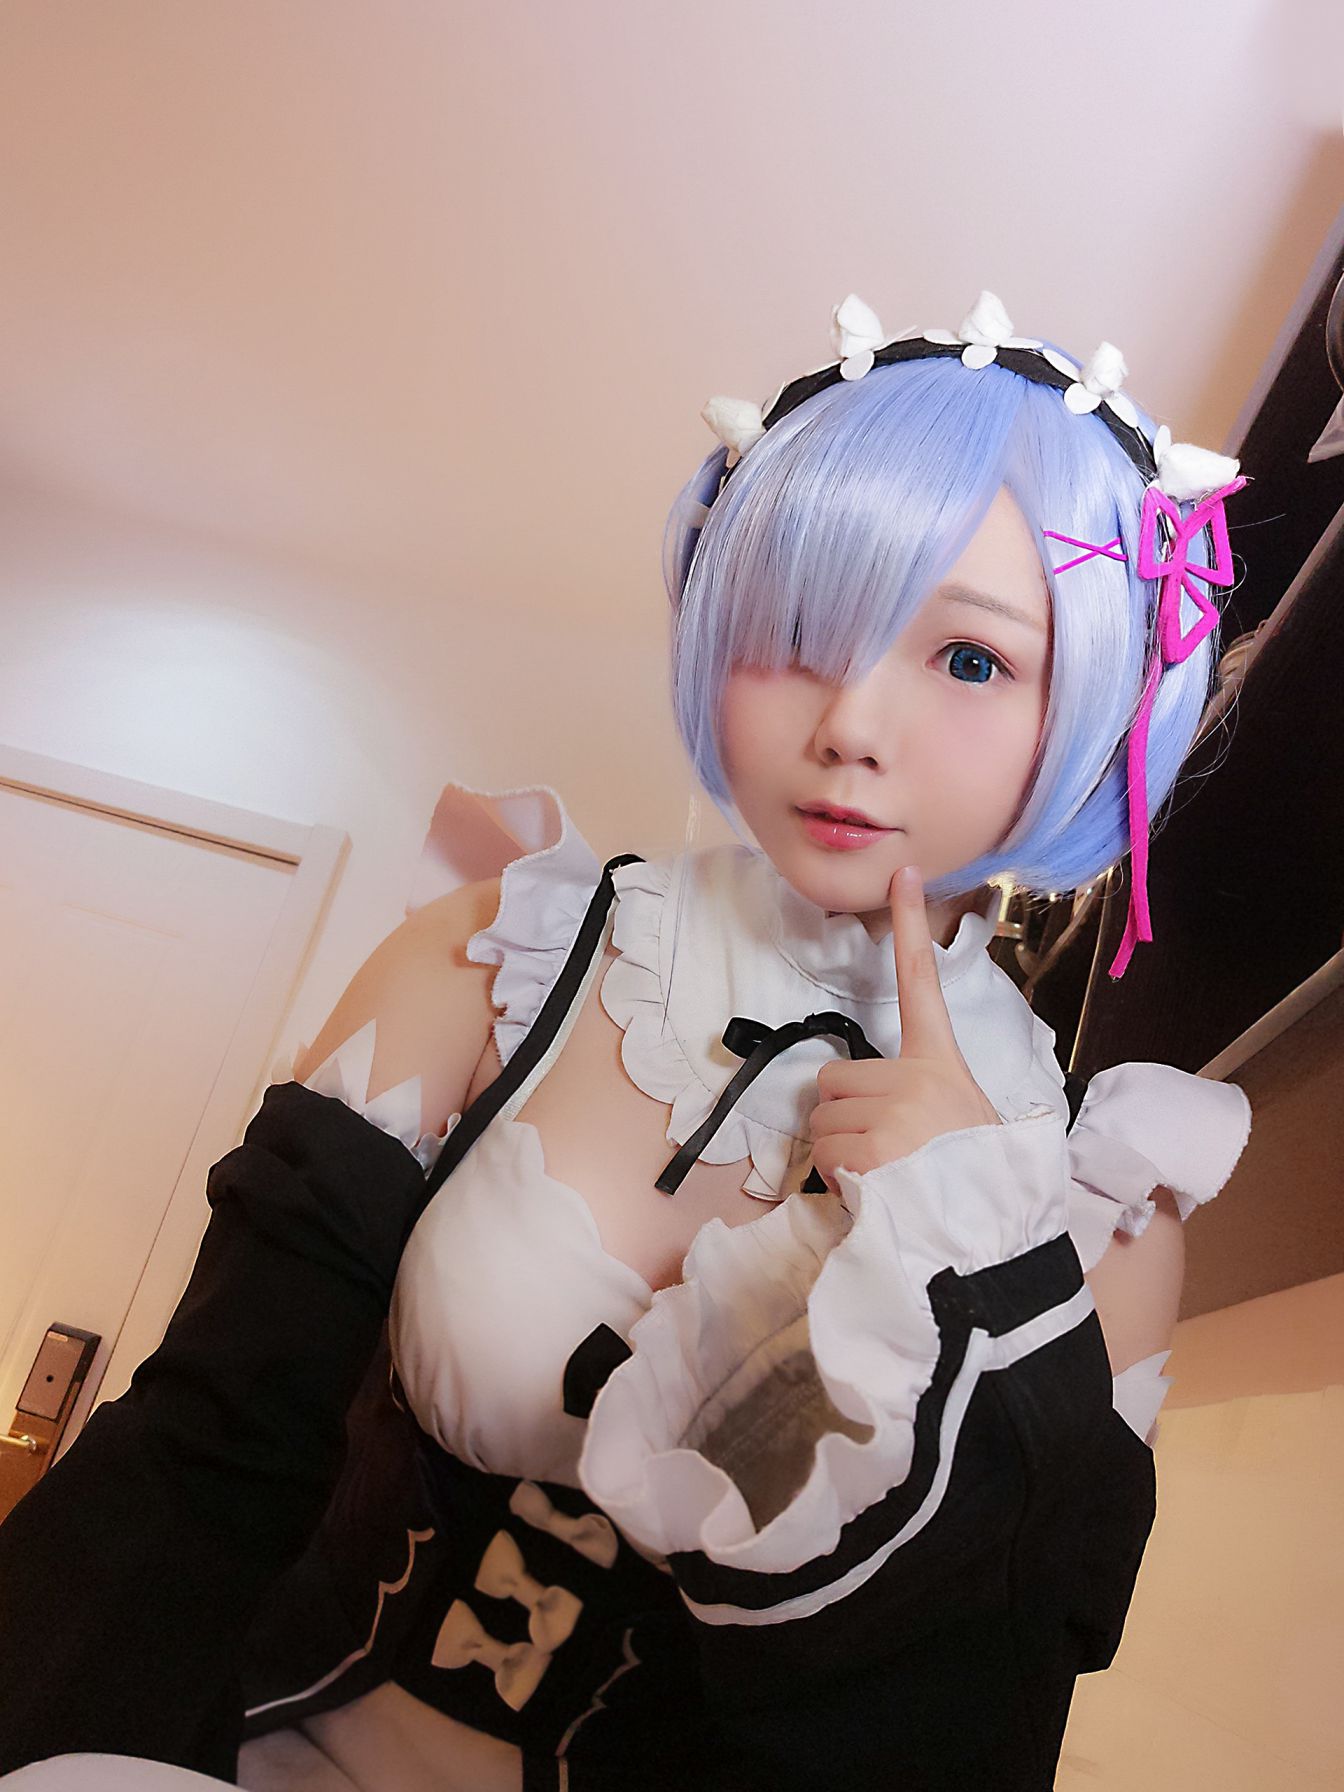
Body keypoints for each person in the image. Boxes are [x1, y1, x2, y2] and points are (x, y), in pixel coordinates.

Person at [0, 290, 1253, 1792]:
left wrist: (969, 1244)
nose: (853, 724)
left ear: (1096, 704)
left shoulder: (1096, 1207)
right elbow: (196, 1463)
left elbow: (976, 1731)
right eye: (802, 631)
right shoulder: (498, 956)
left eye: (971, 661)